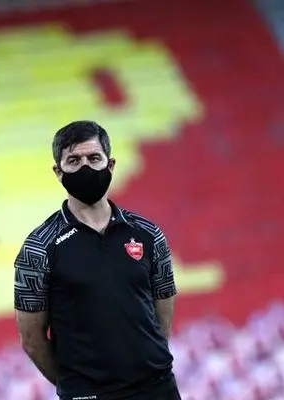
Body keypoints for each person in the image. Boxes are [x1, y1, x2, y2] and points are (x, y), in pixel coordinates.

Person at [13, 121, 180, 400]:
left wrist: (147, 361)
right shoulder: (38, 248)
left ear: (110, 165)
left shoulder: (148, 233)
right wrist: (77, 387)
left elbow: (163, 307)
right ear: (58, 172)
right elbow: (32, 340)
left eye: (94, 158)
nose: (85, 168)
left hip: (157, 387)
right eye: (74, 161)